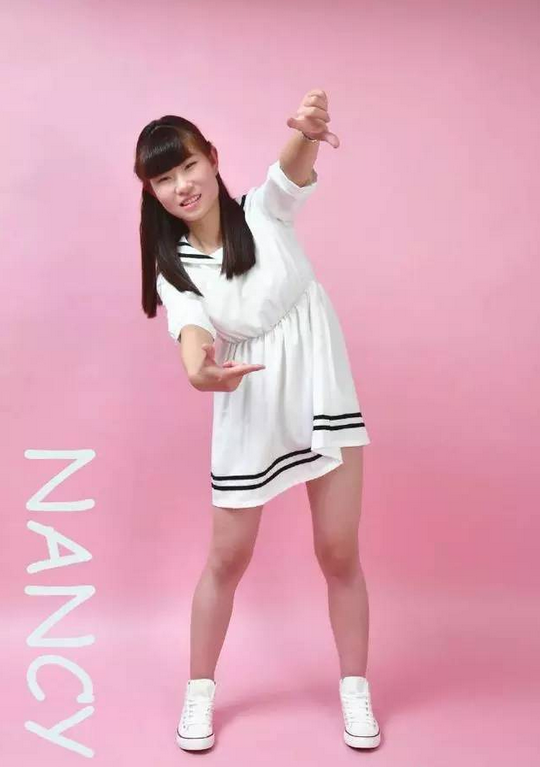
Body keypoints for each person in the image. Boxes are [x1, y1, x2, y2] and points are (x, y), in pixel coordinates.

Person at [134, 89, 381, 751]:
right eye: (163, 177)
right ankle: (199, 692)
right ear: (152, 191)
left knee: (339, 550)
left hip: (320, 388)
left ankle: (354, 687)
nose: (182, 185)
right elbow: (191, 329)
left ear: (213, 159)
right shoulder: (174, 267)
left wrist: (306, 132)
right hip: (249, 401)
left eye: (188, 165)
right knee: (226, 558)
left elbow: (288, 172)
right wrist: (199, 371)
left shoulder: (261, 214)